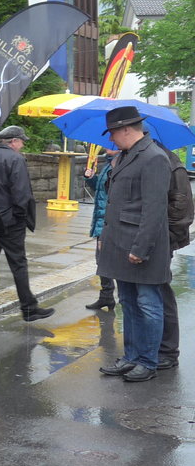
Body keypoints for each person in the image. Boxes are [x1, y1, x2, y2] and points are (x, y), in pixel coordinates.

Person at [96, 106, 172, 382]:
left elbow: (154, 210)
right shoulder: (127, 156)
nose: (111, 139)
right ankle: (131, 357)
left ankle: (148, 362)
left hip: (141, 247)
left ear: (126, 129)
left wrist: (140, 249)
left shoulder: (153, 157)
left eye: (113, 133)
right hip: (120, 244)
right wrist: (106, 238)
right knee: (128, 302)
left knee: (148, 305)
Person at [0, 124, 53, 321]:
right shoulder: (15, 159)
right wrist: (21, 217)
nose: (23, 145)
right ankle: (29, 308)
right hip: (10, 221)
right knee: (18, 264)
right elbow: (22, 193)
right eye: (22, 141)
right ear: (13, 141)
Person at [156, 139, 194, 369]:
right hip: (145, 239)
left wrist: (165, 238)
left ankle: (169, 350)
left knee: (162, 292)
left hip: (162, 240)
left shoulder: (171, 163)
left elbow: (182, 211)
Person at [84, 149, 119, 310]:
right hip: (102, 219)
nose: (106, 147)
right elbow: (101, 189)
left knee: (108, 261)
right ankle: (106, 296)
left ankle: (120, 298)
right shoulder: (108, 163)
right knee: (102, 261)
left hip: (109, 221)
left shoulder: (119, 164)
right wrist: (91, 178)